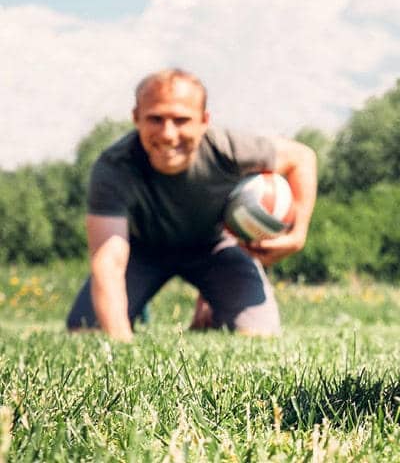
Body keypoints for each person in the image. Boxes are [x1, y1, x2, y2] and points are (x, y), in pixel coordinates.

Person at [66, 69, 317, 341]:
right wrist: (119, 343)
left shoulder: (228, 149)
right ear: (136, 118)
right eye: (156, 119)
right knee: (87, 329)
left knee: (259, 334)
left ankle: (211, 305)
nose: (168, 134)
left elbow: (302, 157)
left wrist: (298, 233)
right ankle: (136, 302)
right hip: (142, 252)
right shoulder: (114, 167)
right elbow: (109, 261)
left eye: (181, 120)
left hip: (215, 248)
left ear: (204, 121)